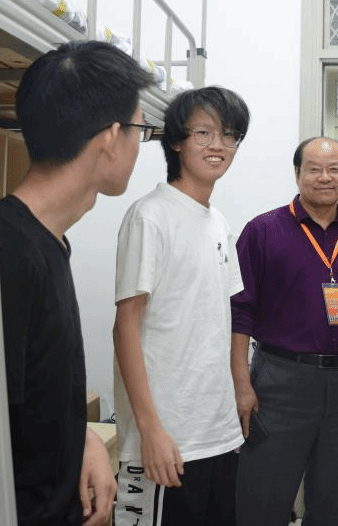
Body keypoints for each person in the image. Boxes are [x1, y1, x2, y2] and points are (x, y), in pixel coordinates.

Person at [0, 40, 154, 526]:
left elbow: (24, 405)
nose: (138, 145)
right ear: (111, 136)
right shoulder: (6, 260)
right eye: (140, 130)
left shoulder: (47, 243)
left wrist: (82, 439)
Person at [112, 86, 250, 526]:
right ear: (175, 140)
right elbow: (125, 327)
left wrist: (232, 406)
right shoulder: (150, 216)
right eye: (204, 133)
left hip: (217, 434)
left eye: (229, 135)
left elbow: (216, 324)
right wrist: (149, 429)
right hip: (165, 441)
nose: (218, 145)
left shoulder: (218, 222)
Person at [231, 136, 338, 526]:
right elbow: (239, 312)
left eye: (334, 169)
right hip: (281, 381)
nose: (325, 177)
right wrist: (241, 384)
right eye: (314, 169)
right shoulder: (263, 230)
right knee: (263, 499)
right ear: (298, 173)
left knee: (334, 503)